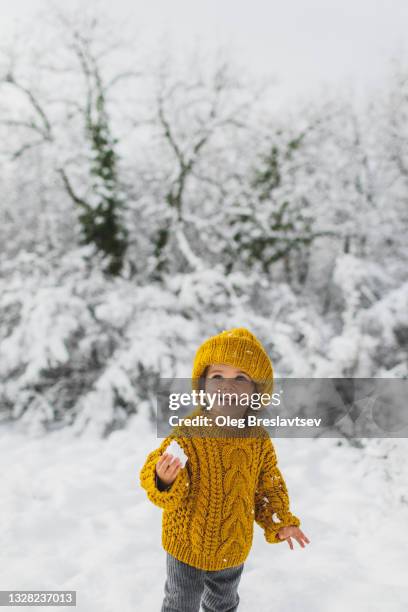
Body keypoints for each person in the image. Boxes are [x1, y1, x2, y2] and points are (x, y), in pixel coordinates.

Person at [139, 327, 310, 612]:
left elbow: (268, 487)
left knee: (224, 603)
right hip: (186, 543)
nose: (227, 386)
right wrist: (164, 479)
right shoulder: (188, 433)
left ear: (256, 391)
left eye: (240, 378)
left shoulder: (257, 440)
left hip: (233, 543)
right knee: (181, 602)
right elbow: (154, 476)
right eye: (217, 376)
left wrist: (281, 521)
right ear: (203, 385)